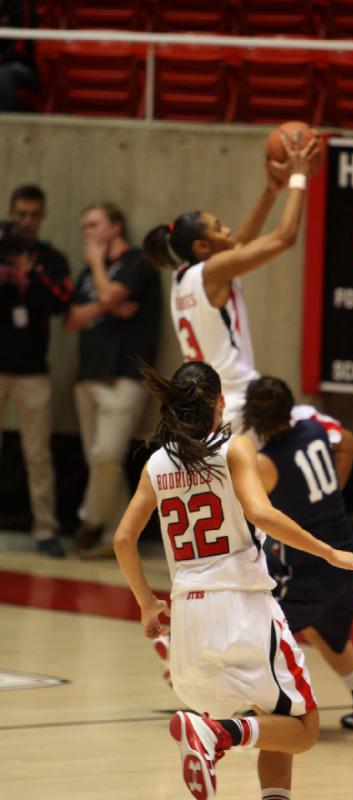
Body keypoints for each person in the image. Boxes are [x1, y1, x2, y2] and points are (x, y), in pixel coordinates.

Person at [113, 360, 353, 800]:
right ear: (219, 404)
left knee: (273, 716)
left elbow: (124, 538)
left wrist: (146, 604)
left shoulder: (156, 464)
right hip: (241, 606)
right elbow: (261, 514)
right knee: (304, 729)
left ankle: (224, 738)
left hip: (189, 617)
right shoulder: (233, 449)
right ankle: (217, 734)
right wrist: (329, 551)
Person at [243, 375, 353, 733]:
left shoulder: (266, 464)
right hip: (346, 563)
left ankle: (272, 712)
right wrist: (329, 495)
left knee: (262, 633)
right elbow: (350, 442)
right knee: (329, 633)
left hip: (309, 571)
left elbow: (254, 510)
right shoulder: (315, 428)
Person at [143, 131, 319, 433]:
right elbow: (285, 237)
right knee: (337, 441)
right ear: (202, 247)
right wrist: (298, 178)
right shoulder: (212, 272)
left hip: (214, 405)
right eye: (217, 227)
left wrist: (270, 190)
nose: (227, 229)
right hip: (239, 405)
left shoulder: (184, 277)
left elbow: (236, 246)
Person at [64, 202, 161, 559]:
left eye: (93, 225)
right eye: (83, 227)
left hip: (124, 375)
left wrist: (99, 276)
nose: (87, 233)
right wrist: (108, 305)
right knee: (101, 462)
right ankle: (115, 535)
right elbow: (71, 320)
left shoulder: (137, 261)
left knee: (106, 454)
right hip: (87, 374)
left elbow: (110, 296)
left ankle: (88, 521)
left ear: (115, 227)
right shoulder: (90, 272)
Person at [0, 185, 72, 557]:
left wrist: (31, 278)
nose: (26, 222)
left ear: (42, 216)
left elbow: (63, 303)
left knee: (37, 454)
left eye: (33, 215)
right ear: (11, 213)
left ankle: (45, 529)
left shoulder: (50, 258)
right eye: (20, 214)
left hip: (32, 370)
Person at [0, 1, 39, 111]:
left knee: (2, 74)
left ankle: (7, 123)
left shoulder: (23, 6)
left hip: (22, 67)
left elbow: (21, 47)